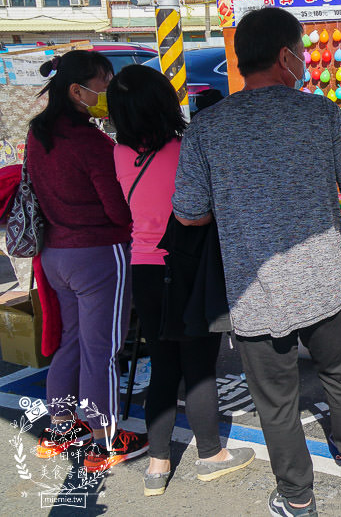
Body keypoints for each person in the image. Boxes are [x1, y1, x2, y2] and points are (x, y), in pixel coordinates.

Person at [172, 6, 341, 516]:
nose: (304, 61)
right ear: (286, 57)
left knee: (276, 401)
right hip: (321, 284)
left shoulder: (207, 128)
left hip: (255, 294)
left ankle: (297, 497)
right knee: (340, 374)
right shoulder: (320, 114)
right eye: (302, 52)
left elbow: (189, 215)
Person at [107, 65, 254, 497]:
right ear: (164, 104)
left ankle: (157, 467)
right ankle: (211, 456)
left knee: (164, 363)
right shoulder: (187, 149)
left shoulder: (118, 154)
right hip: (190, 268)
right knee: (199, 368)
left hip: (145, 269)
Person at [26, 50, 149, 471]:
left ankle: (61, 428)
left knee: (71, 342)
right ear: (78, 91)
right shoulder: (92, 143)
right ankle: (105, 440)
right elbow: (117, 210)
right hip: (99, 255)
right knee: (102, 351)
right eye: (105, 83)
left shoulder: (38, 133)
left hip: (55, 254)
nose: (109, 91)